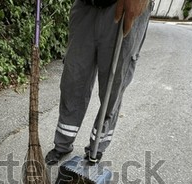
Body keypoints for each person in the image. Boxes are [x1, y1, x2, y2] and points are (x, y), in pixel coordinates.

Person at [45, 0, 153, 165]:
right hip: (86, 5)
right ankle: (63, 144)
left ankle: (97, 148)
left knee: (113, 85)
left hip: (125, 5)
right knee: (73, 80)